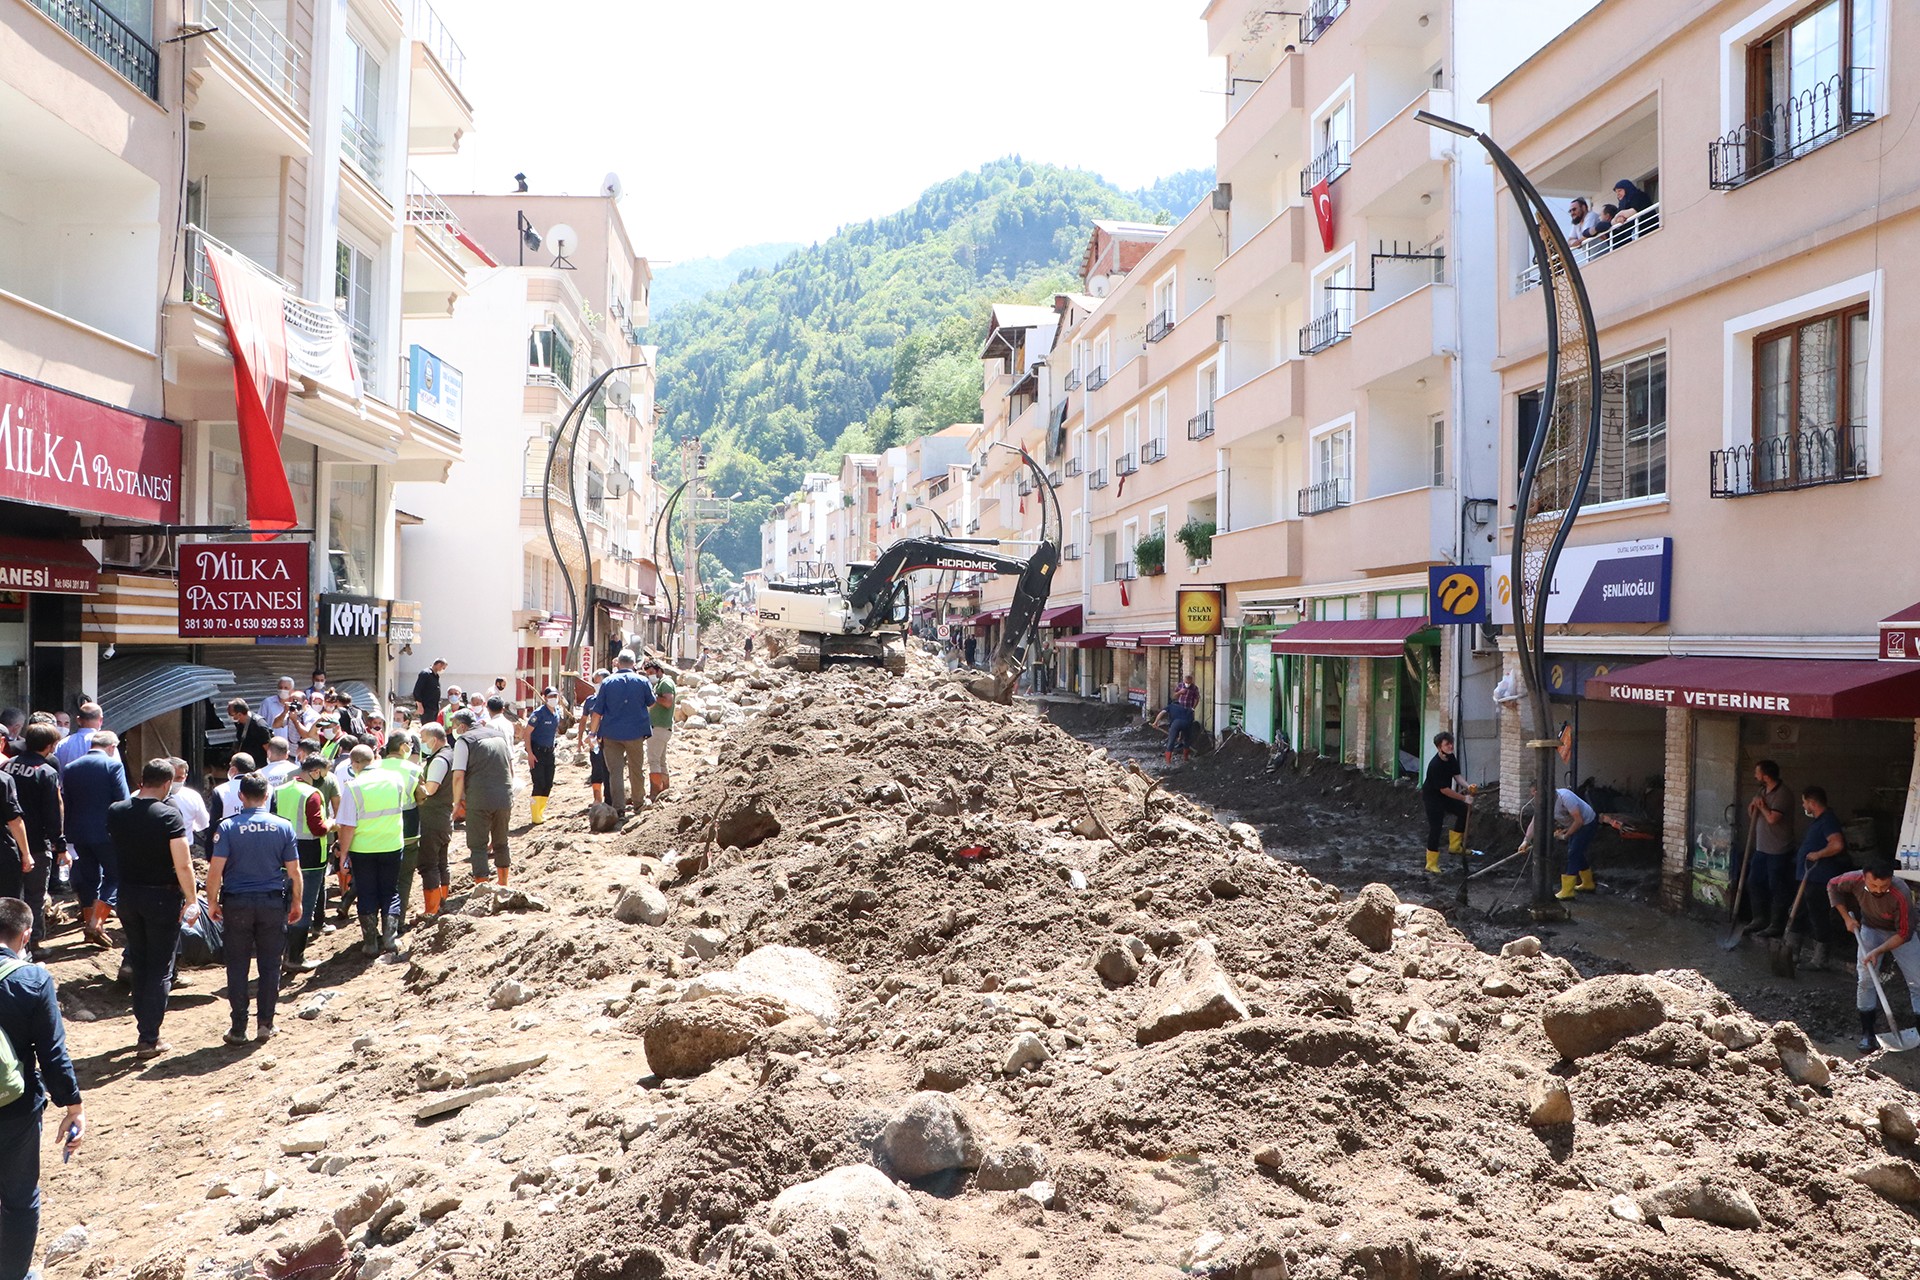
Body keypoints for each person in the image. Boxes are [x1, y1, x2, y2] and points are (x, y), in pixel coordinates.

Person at [0, 896, 84, 1278]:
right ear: (26, 935)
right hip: (15, 1108)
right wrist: (72, 1106)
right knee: (19, 1200)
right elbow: (52, 1052)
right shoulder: (31, 980)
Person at [107, 759, 199, 1058]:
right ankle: (149, 1037)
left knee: (140, 960)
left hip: (128, 895)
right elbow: (183, 863)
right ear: (167, 783)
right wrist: (192, 898)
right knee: (161, 967)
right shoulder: (168, 816)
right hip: (161, 896)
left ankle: (144, 1026)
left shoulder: (116, 811)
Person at [206, 773, 301, 1043]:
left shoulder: (226, 827)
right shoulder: (283, 826)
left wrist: (212, 902)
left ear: (241, 796)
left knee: (237, 965)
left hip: (237, 903)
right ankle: (265, 1024)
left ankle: (238, 1028)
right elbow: (294, 871)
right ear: (268, 795)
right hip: (272, 903)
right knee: (270, 965)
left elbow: (215, 871)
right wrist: (297, 902)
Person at [1829, 857, 1920, 1054]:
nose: (1878, 890)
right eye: (1873, 885)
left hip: (1901, 935)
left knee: (1918, 981)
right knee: (1866, 980)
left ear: (1891, 879)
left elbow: (1903, 934)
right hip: (1870, 929)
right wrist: (1846, 918)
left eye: (1883, 886)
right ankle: (1868, 1034)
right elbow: (1832, 885)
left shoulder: (1901, 893)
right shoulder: (1853, 879)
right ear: (1864, 878)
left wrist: (1877, 952)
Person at [332, 745, 406, 956]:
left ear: (354, 764)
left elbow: (347, 826)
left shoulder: (353, 787)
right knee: (390, 891)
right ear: (374, 758)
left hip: (363, 849)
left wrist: (343, 854)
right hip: (392, 844)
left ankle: (371, 943)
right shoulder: (395, 780)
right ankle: (390, 940)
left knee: (366, 892)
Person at [61, 731, 128, 949]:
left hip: (78, 832)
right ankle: (96, 923)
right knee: (116, 875)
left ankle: (89, 926)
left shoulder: (71, 768)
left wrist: (66, 833)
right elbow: (122, 802)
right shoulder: (113, 766)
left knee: (89, 877)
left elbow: (67, 802)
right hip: (107, 833)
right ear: (112, 747)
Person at [1, 726, 61, 937]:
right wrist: (59, 844)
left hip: (8, 842)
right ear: (50, 746)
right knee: (34, 896)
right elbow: (53, 811)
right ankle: (32, 940)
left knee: (11, 896)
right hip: (34, 843)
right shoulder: (47, 772)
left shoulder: (8, 766)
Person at [275, 755, 332, 973]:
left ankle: (281, 953)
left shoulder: (279, 790)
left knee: (285, 904)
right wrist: (333, 825)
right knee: (303, 906)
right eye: (322, 775)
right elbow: (318, 828)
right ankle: (294, 958)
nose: (322, 780)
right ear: (315, 771)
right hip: (310, 859)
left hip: (282, 855)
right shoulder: (312, 794)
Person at [1787, 785, 1850, 968]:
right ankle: (1791, 953)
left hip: (1819, 878)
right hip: (1809, 877)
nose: (1803, 806)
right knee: (1797, 913)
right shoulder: (1819, 820)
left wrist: (1818, 854)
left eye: (1804, 802)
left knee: (1818, 916)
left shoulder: (1828, 820)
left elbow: (1837, 844)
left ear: (1812, 803)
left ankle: (1820, 959)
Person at [451, 708, 514, 888]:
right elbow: (509, 766)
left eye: (455, 726)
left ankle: (483, 888)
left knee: (478, 845)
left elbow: (458, 776)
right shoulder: (498, 735)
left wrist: (457, 803)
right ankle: (503, 885)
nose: (454, 730)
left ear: (462, 726)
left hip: (479, 798)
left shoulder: (464, 741)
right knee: (501, 841)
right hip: (504, 796)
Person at [591, 651, 655, 814]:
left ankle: (618, 808)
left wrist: (592, 733)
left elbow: (597, 712)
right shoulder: (642, 681)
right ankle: (639, 803)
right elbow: (651, 703)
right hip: (635, 733)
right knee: (636, 769)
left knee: (615, 772)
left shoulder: (607, 683)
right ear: (634, 664)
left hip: (611, 734)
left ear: (617, 663)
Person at [375, 733, 422, 934]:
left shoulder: (375, 768)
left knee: (380, 877)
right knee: (404, 877)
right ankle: (397, 921)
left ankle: (379, 921)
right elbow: (421, 797)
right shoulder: (414, 769)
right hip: (408, 826)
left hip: (378, 828)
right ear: (403, 747)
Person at [1520, 783, 1598, 901]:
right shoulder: (1543, 802)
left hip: (1587, 823)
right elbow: (1535, 821)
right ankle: (1588, 883)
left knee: (1573, 853)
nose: (1533, 796)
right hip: (1572, 824)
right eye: (1533, 793)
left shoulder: (1565, 797)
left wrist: (1565, 835)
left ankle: (1568, 891)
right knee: (1576, 851)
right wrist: (1526, 841)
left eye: (1535, 792)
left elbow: (1579, 821)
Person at [1746, 760, 1796, 937]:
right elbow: (1753, 815)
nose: (1755, 775)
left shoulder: (1783, 794)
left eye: (1757, 772)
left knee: (1777, 886)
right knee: (1754, 881)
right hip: (1761, 847)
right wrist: (1753, 806)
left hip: (1778, 849)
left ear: (1766, 776)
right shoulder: (1762, 791)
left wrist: (1763, 806)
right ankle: (1759, 918)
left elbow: (1773, 818)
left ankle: (1776, 924)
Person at [1420, 731, 1478, 875]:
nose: (1451, 746)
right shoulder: (1435, 765)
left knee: (1462, 811)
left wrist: (1467, 786)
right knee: (1436, 827)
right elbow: (1444, 790)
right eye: (1447, 744)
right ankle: (1431, 863)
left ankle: (1455, 846)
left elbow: (1457, 776)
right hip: (1433, 797)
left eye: (1451, 743)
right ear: (1439, 747)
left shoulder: (1451, 757)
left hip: (1444, 794)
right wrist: (1464, 798)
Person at [415, 724, 455, 919]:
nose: (422, 743)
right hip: (445, 816)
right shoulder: (452, 754)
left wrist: (415, 785)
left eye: (424, 739)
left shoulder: (439, 760)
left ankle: (431, 909)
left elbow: (430, 789)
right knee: (441, 863)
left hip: (433, 818)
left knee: (428, 864)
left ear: (434, 739)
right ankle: (442, 903)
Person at [525, 687, 560, 823]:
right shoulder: (538, 714)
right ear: (545, 698)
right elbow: (527, 733)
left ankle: (541, 812)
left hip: (550, 753)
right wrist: (530, 753)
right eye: (551, 696)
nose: (554, 699)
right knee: (538, 783)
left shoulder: (556, 712)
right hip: (537, 753)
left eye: (555, 696)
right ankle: (535, 816)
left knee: (548, 783)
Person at [642, 660, 676, 801]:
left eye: (651, 673)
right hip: (661, 727)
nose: (650, 676)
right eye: (647, 674)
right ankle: (665, 791)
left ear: (659, 670)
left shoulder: (665, 683)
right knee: (661, 761)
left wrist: (652, 697)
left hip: (659, 727)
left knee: (654, 760)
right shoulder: (661, 683)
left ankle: (655, 793)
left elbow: (668, 702)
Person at [166, 758, 211, 852]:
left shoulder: (193, 796)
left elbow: (203, 823)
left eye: (178, 778)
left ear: (185, 777)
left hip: (184, 849)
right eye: (171, 777)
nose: (173, 781)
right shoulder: (143, 797)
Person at [579, 670, 610, 807]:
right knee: (596, 770)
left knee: (610, 770)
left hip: (610, 739)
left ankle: (610, 799)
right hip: (594, 741)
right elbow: (584, 719)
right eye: (595, 682)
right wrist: (579, 738)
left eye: (598, 682)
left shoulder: (612, 699)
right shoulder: (590, 700)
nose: (596, 685)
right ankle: (597, 800)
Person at [210, 752, 258, 829]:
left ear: (233, 769)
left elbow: (214, 823)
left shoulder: (220, 790)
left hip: (230, 836)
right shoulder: (268, 789)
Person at [51, 702, 102, 770]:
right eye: (58, 723)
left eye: (66, 723)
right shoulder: (106, 745)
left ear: (78, 720)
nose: (63, 727)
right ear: (101, 720)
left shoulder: (62, 745)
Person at [1164, 676, 1201, 766]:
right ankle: (1169, 759)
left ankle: (1185, 755)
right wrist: (1180, 692)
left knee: (1187, 734)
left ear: (1192, 681)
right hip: (1180, 710)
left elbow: (1197, 698)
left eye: (1189, 682)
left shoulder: (1194, 688)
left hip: (1188, 711)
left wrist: (1193, 708)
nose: (1187, 684)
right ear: (1184, 681)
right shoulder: (1180, 686)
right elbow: (1174, 695)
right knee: (1174, 735)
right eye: (1186, 682)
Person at [227, 699, 272, 763]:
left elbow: (268, 748)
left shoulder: (259, 725)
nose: (229, 716)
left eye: (230, 714)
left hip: (258, 764)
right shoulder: (239, 722)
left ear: (239, 714)